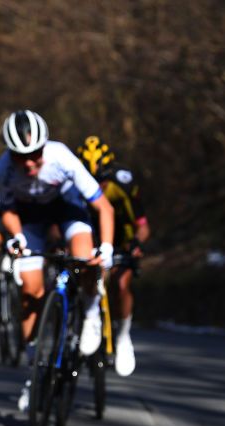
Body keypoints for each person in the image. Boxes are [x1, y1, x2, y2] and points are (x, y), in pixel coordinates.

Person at [0, 110, 114, 411]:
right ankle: (34, 372)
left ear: (45, 147)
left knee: (85, 258)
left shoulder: (61, 157)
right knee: (31, 290)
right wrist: (17, 235)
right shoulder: (4, 168)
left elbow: (104, 207)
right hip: (31, 217)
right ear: (11, 155)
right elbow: (7, 209)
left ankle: (89, 314)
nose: (31, 163)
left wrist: (108, 247)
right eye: (23, 158)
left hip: (67, 207)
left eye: (35, 154)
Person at [77, 136, 151, 376]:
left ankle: (123, 335)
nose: (98, 188)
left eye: (102, 182)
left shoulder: (123, 183)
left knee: (120, 284)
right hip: (92, 238)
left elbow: (142, 225)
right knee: (85, 273)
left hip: (122, 240)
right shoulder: (76, 185)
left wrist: (137, 243)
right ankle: (85, 319)